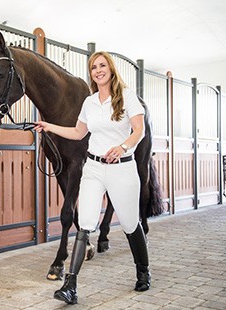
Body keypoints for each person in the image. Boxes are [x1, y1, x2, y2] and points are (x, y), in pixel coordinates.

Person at [34, 51, 151, 304]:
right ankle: (70, 286)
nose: (98, 70)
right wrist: (49, 126)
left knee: (131, 224)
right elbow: (78, 133)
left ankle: (143, 272)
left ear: (111, 69)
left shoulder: (127, 96)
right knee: (85, 223)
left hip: (122, 168)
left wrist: (122, 147)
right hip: (94, 169)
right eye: (94, 67)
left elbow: (139, 130)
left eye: (102, 65)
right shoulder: (89, 102)